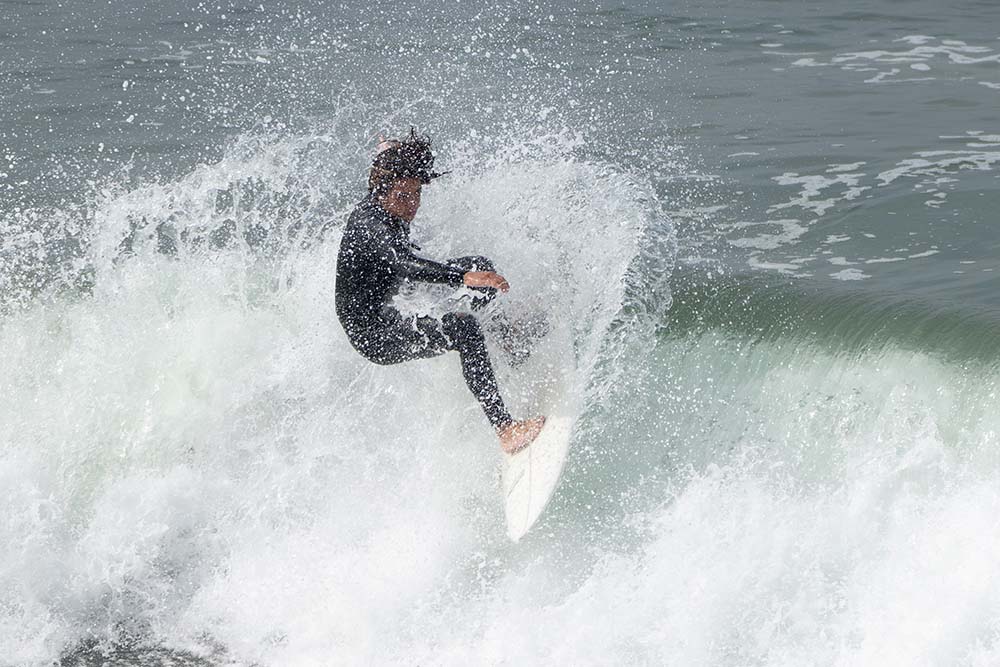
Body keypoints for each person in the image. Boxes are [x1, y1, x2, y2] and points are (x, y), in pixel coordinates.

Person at [335, 129, 546, 454]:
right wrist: (462, 277)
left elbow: (387, 169)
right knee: (465, 328)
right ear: (381, 190)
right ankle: (506, 430)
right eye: (403, 197)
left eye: (416, 194)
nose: (411, 205)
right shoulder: (371, 225)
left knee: (481, 267)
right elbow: (403, 263)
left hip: (391, 293)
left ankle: (506, 340)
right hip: (374, 334)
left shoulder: (388, 188)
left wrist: (389, 149)